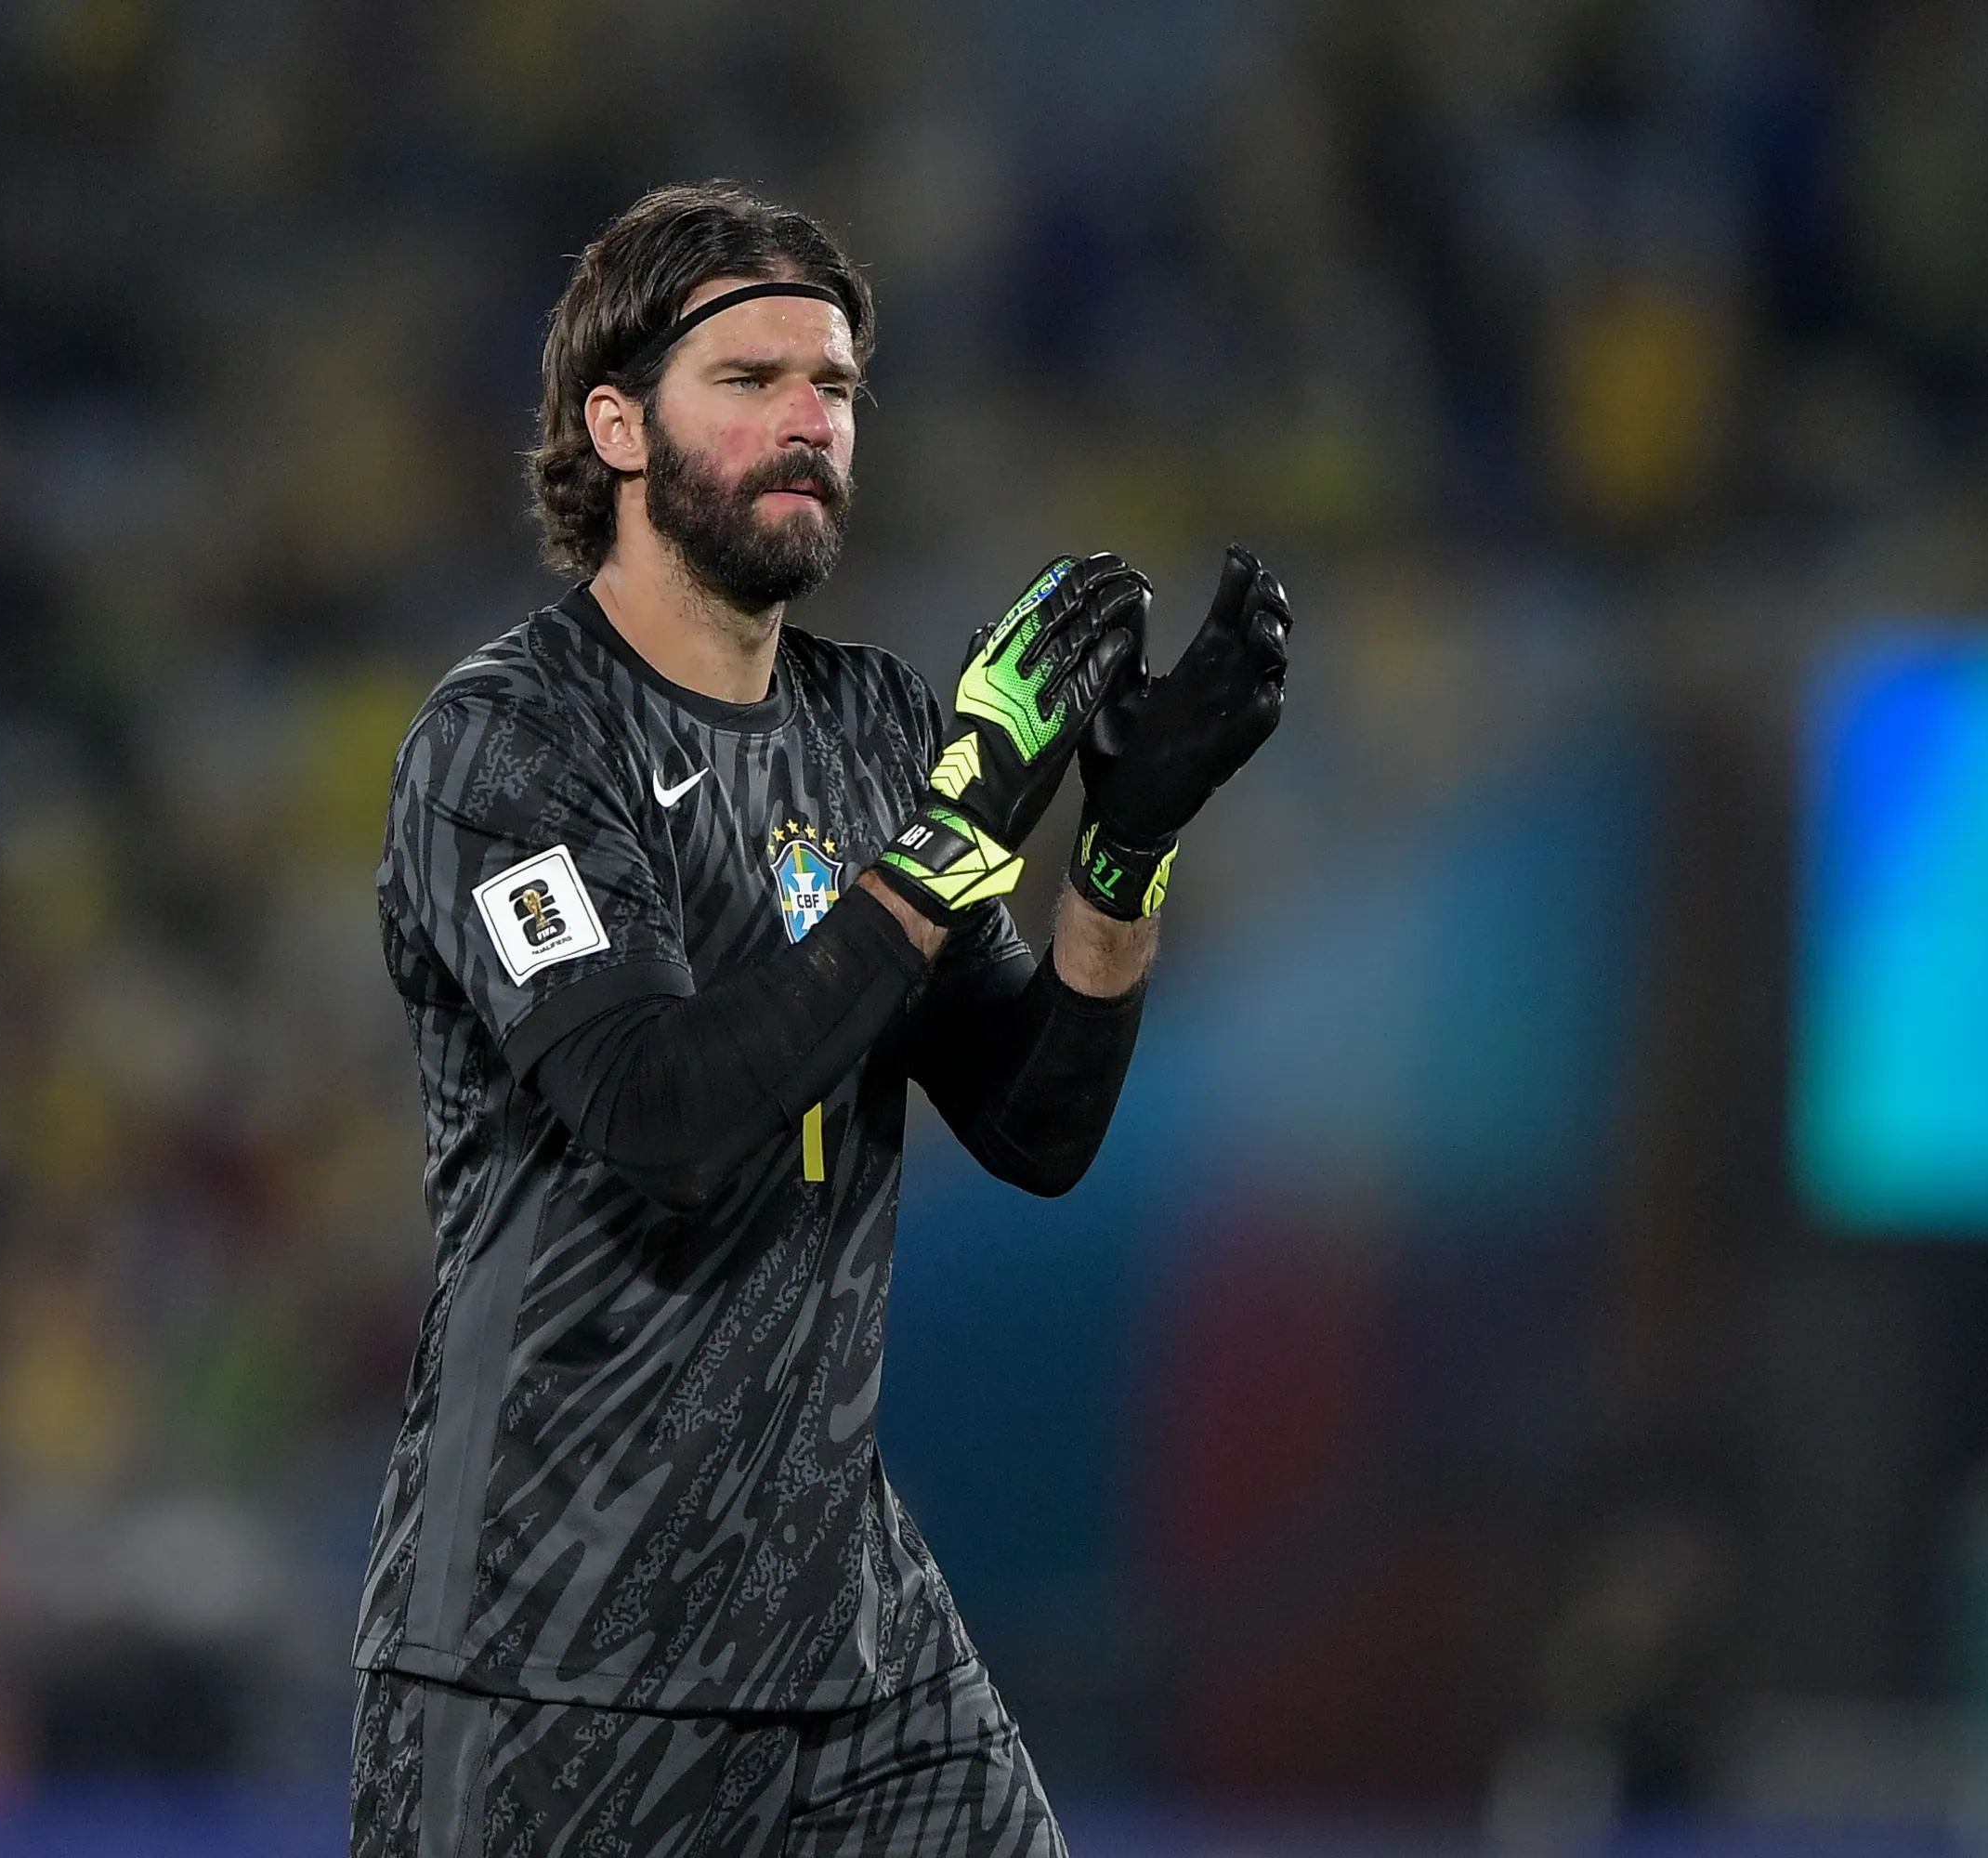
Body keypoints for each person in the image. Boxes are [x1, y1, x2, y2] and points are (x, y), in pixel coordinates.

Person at [354, 182, 1291, 1857]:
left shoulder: (869, 727)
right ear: (616, 425)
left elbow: (1036, 1125)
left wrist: (1121, 854)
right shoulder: (509, 746)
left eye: (837, 387)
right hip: (550, 1658)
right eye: (754, 379)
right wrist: (949, 842)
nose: (810, 421)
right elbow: (660, 1114)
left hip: (844, 1650)